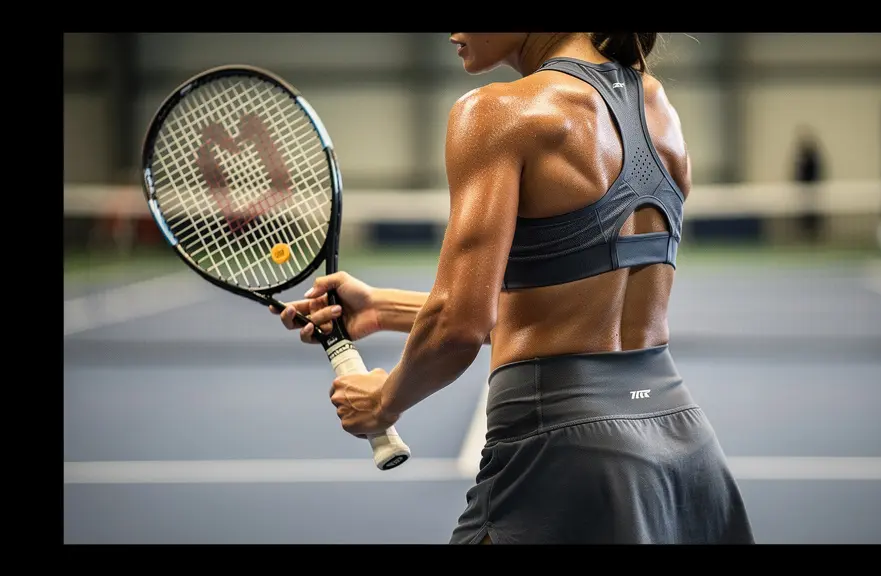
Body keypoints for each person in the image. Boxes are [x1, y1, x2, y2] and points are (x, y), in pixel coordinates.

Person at [273, 32, 755, 544]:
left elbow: (460, 324)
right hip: (682, 449)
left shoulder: (496, 113)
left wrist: (384, 401)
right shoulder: (655, 106)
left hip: (564, 457)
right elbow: (561, 312)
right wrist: (381, 308)